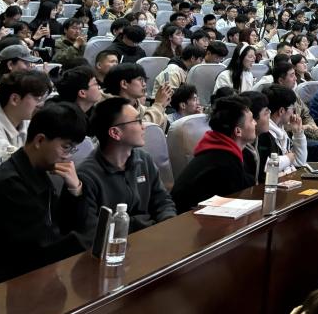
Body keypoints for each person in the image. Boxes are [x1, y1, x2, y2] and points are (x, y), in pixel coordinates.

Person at [0, 102, 88, 285]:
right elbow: (39, 245)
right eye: (66, 147)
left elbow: (66, 224)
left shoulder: (38, 170)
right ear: (39, 141)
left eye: (72, 149)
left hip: (41, 273)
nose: (68, 156)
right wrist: (89, 241)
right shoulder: (9, 184)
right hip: (13, 281)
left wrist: (75, 189)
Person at [78, 97, 176, 239]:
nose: (143, 126)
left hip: (153, 236)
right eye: (137, 121)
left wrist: (168, 225)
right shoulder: (87, 176)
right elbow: (93, 231)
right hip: (115, 245)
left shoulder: (144, 159)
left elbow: (163, 201)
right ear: (115, 133)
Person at [170, 96, 258, 212]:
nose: (255, 123)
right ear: (238, 131)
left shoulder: (221, 150)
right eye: (251, 120)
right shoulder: (224, 163)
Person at [0, 70, 51, 162]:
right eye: (37, 99)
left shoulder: (28, 122)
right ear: (15, 99)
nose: (41, 105)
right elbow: (12, 159)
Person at [256, 85, 308, 174]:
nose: (294, 112)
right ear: (281, 111)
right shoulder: (263, 134)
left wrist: (298, 133)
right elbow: (265, 167)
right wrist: (288, 158)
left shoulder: (281, 129)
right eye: (292, 108)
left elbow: (300, 161)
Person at [103, 62, 170, 127]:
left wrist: (162, 105)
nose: (144, 84)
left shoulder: (141, 109)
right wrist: (158, 104)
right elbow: (138, 129)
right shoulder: (109, 109)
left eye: (144, 81)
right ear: (124, 84)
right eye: (140, 80)